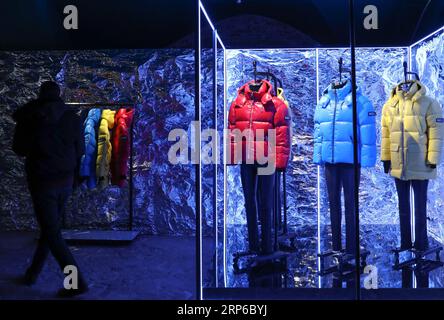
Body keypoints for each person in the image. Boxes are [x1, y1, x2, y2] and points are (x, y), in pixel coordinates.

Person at [12, 81, 88, 297]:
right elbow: (80, 149)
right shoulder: (72, 118)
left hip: (42, 181)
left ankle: (76, 283)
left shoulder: (30, 117)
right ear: (59, 95)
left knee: (52, 233)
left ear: (41, 95)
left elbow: (19, 149)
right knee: (50, 230)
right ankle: (32, 273)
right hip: (65, 181)